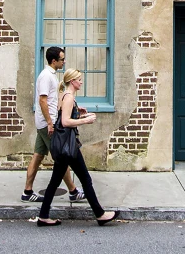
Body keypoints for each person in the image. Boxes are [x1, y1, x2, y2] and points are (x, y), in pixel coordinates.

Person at [36, 69, 119, 227]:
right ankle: (100, 214)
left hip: (66, 147)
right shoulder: (68, 97)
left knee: (55, 182)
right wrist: (84, 121)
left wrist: (78, 114)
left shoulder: (66, 97)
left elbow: (62, 118)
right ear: (72, 81)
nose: (81, 82)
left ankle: (43, 216)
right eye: (79, 79)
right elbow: (66, 122)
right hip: (68, 147)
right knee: (85, 179)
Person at [22, 46, 85, 203]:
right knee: (61, 157)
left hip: (45, 122)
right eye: (62, 59)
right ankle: (73, 191)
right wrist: (50, 123)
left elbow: (53, 99)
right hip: (46, 124)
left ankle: (27, 192)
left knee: (38, 155)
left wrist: (74, 106)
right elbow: (42, 100)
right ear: (54, 61)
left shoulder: (52, 75)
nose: (64, 62)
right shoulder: (46, 76)